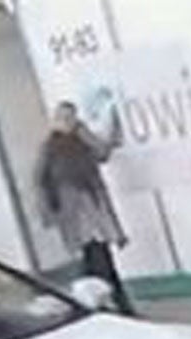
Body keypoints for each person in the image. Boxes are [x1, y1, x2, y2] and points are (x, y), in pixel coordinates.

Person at [35, 101, 133, 316]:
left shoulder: (81, 141)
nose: (68, 123)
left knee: (97, 257)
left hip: (91, 206)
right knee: (95, 258)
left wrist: (86, 132)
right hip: (74, 211)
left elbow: (102, 152)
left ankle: (109, 303)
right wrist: (48, 213)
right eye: (63, 118)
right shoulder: (50, 147)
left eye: (72, 118)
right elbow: (41, 181)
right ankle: (112, 303)